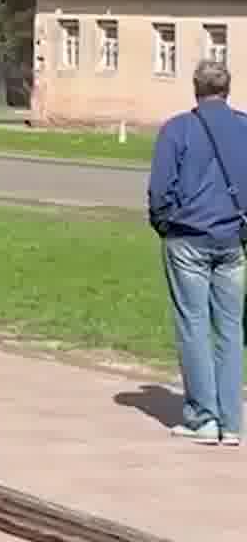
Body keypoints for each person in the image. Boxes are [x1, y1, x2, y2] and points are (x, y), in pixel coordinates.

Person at [148, 58, 247, 446]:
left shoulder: (177, 129)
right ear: (227, 88)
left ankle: (202, 417)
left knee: (193, 326)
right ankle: (231, 422)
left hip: (187, 237)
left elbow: (160, 189)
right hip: (231, 240)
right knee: (230, 330)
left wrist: (164, 223)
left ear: (195, 88)